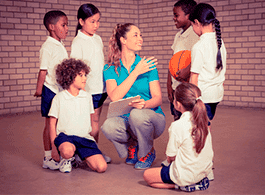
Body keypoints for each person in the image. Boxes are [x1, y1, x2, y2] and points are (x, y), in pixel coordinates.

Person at [101, 23, 166, 169]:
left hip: (152, 118)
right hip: (127, 118)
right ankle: (133, 145)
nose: (140, 39)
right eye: (135, 35)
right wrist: (136, 72)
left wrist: (144, 105)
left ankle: (147, 152)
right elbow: (115, 97)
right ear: (123, 40)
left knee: (137, 114)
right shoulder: (110, 69)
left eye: (140, 35)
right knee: (108, 126)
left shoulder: (148, 65)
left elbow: (158, 98)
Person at [143, 83, 213, 192]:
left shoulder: (177, 126)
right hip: (204, 172)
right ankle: (196, 182)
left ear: (178, 104)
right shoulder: (204, 122)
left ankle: (181, 185)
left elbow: (171, 156)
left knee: (148, 176)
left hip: (186, 175)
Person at [48, 58, 107, 173]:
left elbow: (90, 122)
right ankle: (67, 158)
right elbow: (52, 124)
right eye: (80, 75)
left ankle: (78, 156)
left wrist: (93, 143)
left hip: (84, 138)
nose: (85, 78)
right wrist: (54, 148)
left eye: (85, 75)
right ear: (69, 77)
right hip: (66, 138)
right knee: (67, 151)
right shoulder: (59, 98)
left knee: (101, 167)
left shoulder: (87, 97)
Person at [70, 4, 111, 163]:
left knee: (95, 123)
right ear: (81, 21)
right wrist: (82, 91)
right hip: (87, 90)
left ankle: (94, 153)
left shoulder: (98, 38)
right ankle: (87, 154)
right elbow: (76, 68)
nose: (96, 25)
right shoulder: (77, 41)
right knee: (89, 125)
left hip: (100, 89)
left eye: (98, 21)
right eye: (92, 21)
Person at [34, 10, 68, 170]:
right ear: (51, 27)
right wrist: (39, 90)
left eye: (67, 25)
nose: (67, 28)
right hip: (49, 90)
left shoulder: (59, 44)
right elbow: (43, 70)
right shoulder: (47, 46)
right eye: (63, 25)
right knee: (49, 125)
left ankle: (59, 154)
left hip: (60, 90)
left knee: (59, 124)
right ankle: (48, 157)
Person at [189, 3, 227, 126]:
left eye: (192, 25)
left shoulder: (199, 46)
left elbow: (194, 78)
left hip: (202, 96)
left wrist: (192, 100)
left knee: (200, 131)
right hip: (216, 95)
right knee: (206, 126)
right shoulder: (220, 42)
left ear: (196, 22)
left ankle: (205, 146)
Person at [167, 0, 199, 121]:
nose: (174, 18)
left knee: (190, 121)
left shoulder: (196, 35)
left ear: (188, 15)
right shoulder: (178, 36)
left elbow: (199, 58)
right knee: (177, 119)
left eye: (176, 15)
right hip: (176, 87)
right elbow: (172, 61)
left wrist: (188, 69)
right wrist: (169, 84)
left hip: (188, 89)